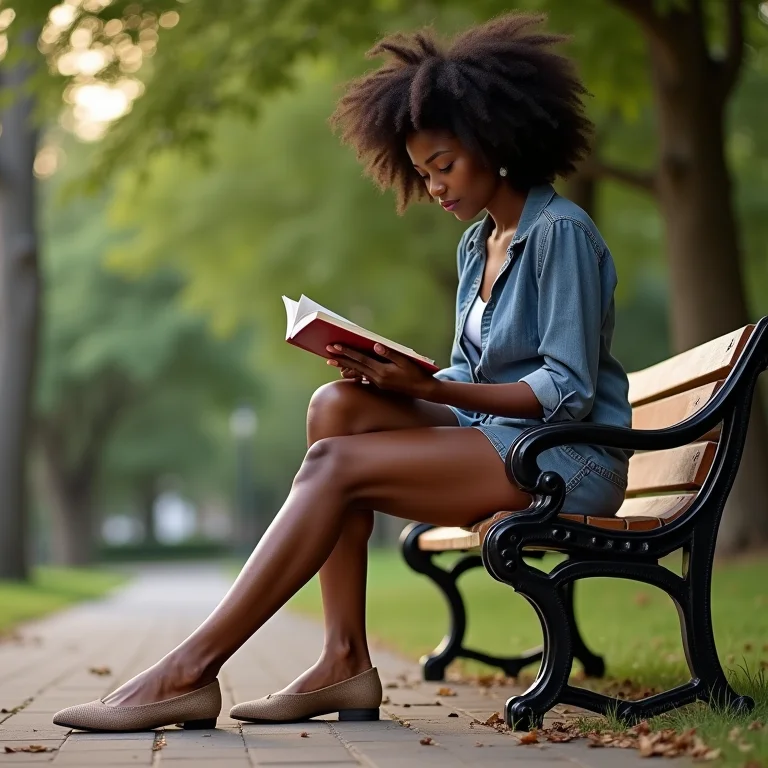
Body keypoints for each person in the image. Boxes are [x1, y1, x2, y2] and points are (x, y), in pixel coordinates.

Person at [53, 11, 632, 732]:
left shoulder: (560, 235)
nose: (435, 188)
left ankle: (189, 670)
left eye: (445, 165)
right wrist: (392, 370)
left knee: (334, 465)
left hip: (568, 459)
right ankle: (343, 661)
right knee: (337, 408)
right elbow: (471, 369)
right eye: (422, 174)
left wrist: (430, 389)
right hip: (504, 439)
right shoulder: (478, 245)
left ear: (496, 140)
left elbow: (567, 391)